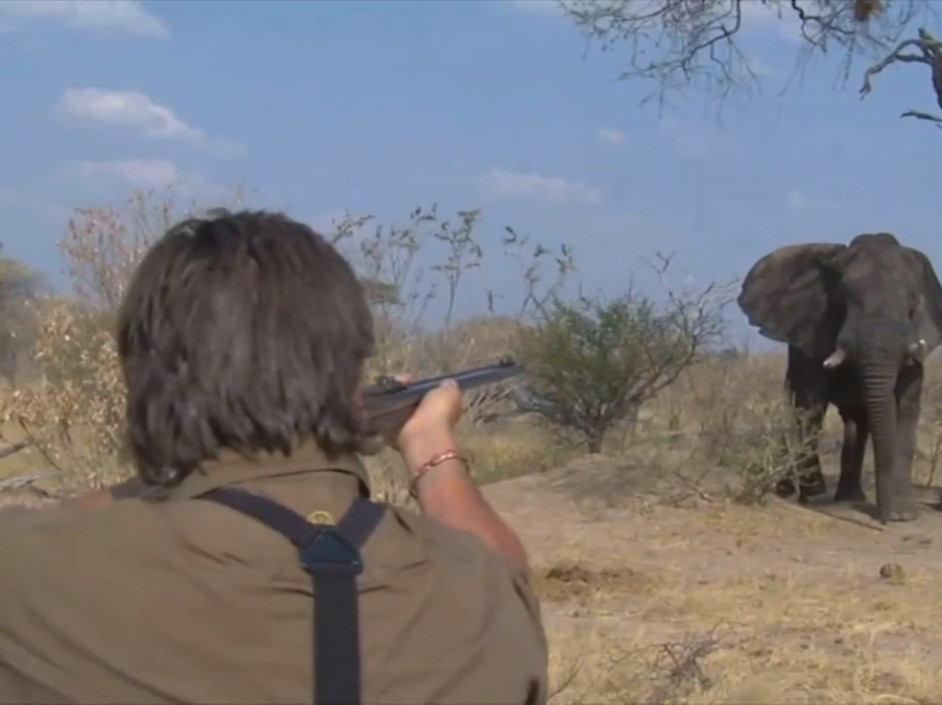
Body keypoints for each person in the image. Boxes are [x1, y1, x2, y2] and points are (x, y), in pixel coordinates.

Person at [0, 209, 549, 704]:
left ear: (140, 378)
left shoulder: (30, 575)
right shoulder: (483, 594)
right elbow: (508, 582)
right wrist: (433, 445)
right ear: (352, 369)